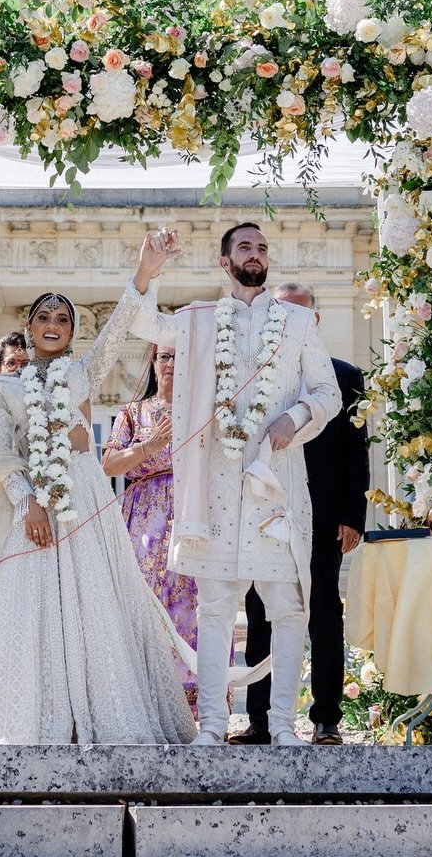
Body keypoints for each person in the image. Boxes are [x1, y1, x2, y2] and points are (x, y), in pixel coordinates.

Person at [128, 223, 340, 746]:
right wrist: (148, 269)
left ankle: (285, 727)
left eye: (263, 247)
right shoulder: (200, 319)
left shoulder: (297, 321)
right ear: (225, 261)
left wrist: (297, 417)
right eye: (244, 247)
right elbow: (140, 323)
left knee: (288, 607)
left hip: (276, 484)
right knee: (216, 607)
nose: (255, 254)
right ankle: (214, 727)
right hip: (214, 489)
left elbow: (328, 392)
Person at [0, 277, 194, 746]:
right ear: (28, 327)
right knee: (27, 602)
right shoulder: (4, 388)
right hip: (32, 499)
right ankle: (38, 717)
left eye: (63, 319)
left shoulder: (81, 374)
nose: (53, 325)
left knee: (96, 599)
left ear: (72, 332)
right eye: (44, 317)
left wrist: (144, 272)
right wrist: (26, 501)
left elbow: (116, 330)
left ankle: (97, 712)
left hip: (85, 494)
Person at [232, 282, 370, 745]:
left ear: (314, 320)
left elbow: (357, 451)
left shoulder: (346, 375)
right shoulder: (258, 374)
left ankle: (327, 718)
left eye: (299, 314)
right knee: (260, 610)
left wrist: (354, 514)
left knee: (324, 610)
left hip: (325, 514)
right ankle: (260, 718)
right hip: (268, 511)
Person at [103, 340, 199, 714]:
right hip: (144, 513)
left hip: (192, 511)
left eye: (180, 355)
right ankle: (142, 701)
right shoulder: (133, 412)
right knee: (144, 599)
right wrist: (151, 444)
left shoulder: (201, 409)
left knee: (192, 601)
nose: (172, 363)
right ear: (153, 362)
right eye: (164, 356)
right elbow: (109, 464)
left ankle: (193, 704)